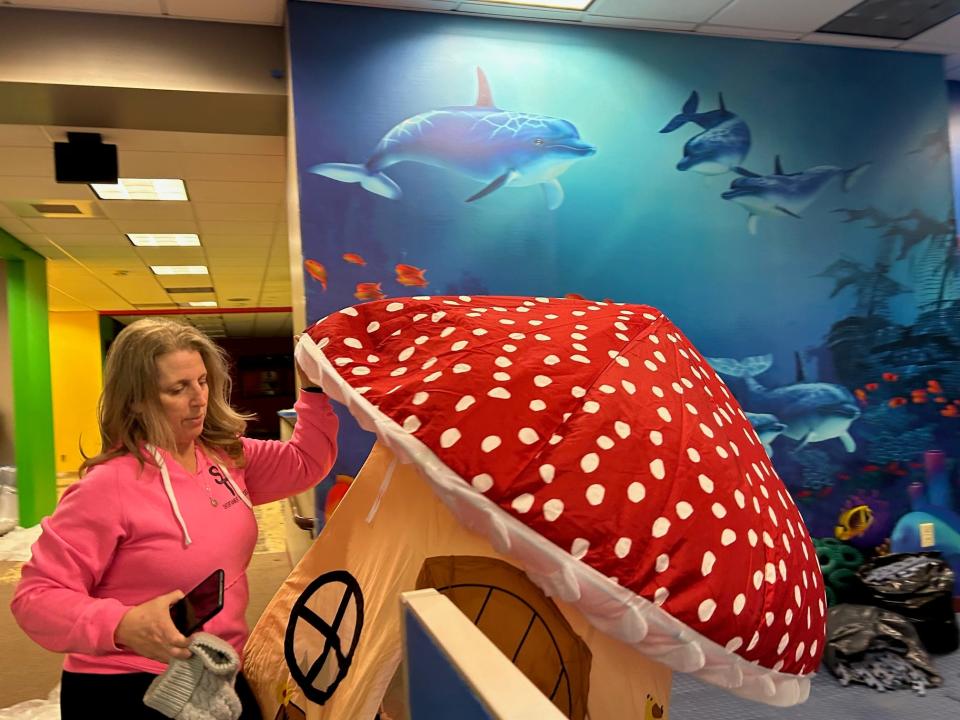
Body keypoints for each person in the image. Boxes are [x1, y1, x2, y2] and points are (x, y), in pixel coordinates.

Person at [11, 318, 339, 719]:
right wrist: (123, 623)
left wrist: (313, 389)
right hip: (129, 681)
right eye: (177, 389)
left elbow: (306, 463)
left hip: (216, 665)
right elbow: (34, 599)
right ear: (135, 399)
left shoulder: (224, 456)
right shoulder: (106, 487)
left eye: (202, 381)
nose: (198, 399)